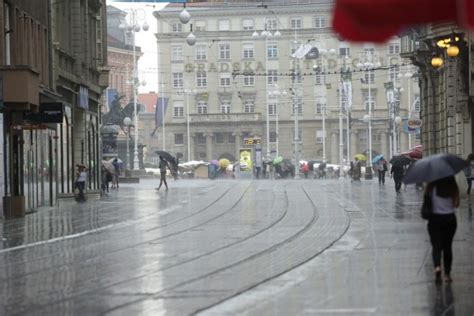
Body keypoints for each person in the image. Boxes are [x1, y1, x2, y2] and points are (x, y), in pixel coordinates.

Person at [425, 176, 459, 283]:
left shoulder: (431, 186)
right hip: (449, 219)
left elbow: (426, 203)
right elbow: (456, 204)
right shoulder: (452, 186)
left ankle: (437, 267)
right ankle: (447, 274)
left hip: (435, 220)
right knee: (447, 246)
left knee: (436, 246)